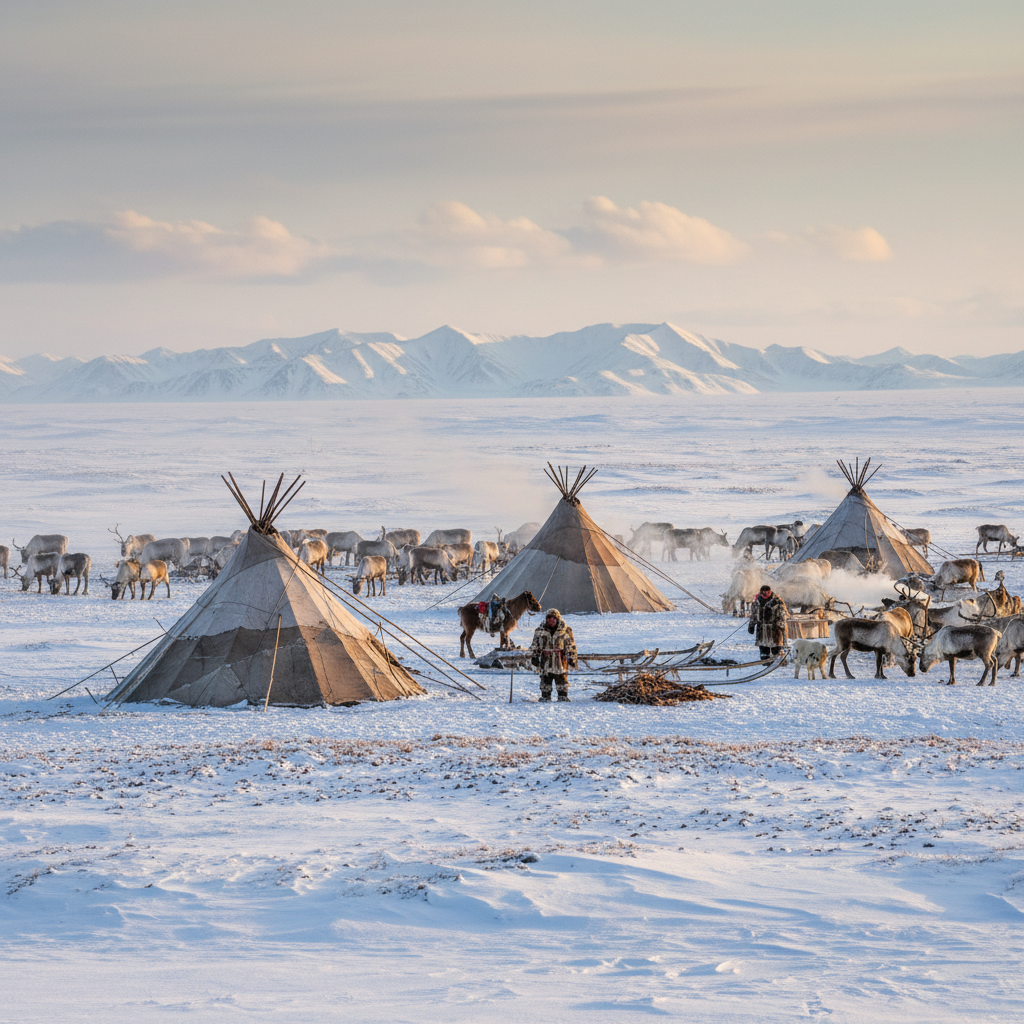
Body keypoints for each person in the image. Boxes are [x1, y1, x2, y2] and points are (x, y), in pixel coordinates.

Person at [530, 608, 578, 702]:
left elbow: (571, 645)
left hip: (560, 662)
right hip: (546, 661)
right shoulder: (539, 631)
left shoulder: (566, 630)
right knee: (545, 681)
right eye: (548, 618)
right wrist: (534, 656)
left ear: (557, 619)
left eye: (553, 619)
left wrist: (571, 658)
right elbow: (535, 645)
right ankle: (545, 696)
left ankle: (563, 696)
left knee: (562, 681)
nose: (550, 621)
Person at [747, 584, 789, 661]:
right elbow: (754, 614)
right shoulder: (757, 601)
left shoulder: (777, 601)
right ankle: (765, 660)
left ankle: (777, 663)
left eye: (767, 593)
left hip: (775, 629)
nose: (765, 595)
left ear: (770, 592)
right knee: (764, 649)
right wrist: (751, 625)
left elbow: (783, 615)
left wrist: (782, 626)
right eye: (763, 593)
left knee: (776, 649)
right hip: (762, 629)